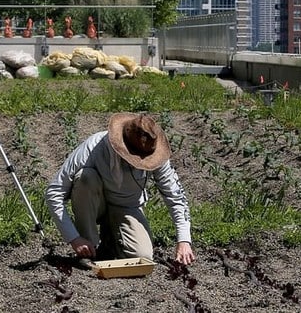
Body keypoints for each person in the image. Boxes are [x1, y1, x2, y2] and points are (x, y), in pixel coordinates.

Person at [46, 113, 195, 265]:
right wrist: (74, 238)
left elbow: (175, 195)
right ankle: (89, 249)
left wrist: (184, 240)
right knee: (86, 177)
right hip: (96, 203)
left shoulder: (155, 154)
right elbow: (54, 192)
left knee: (142, 257)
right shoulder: (93, 148)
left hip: (127, 206)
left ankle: (111, 241)